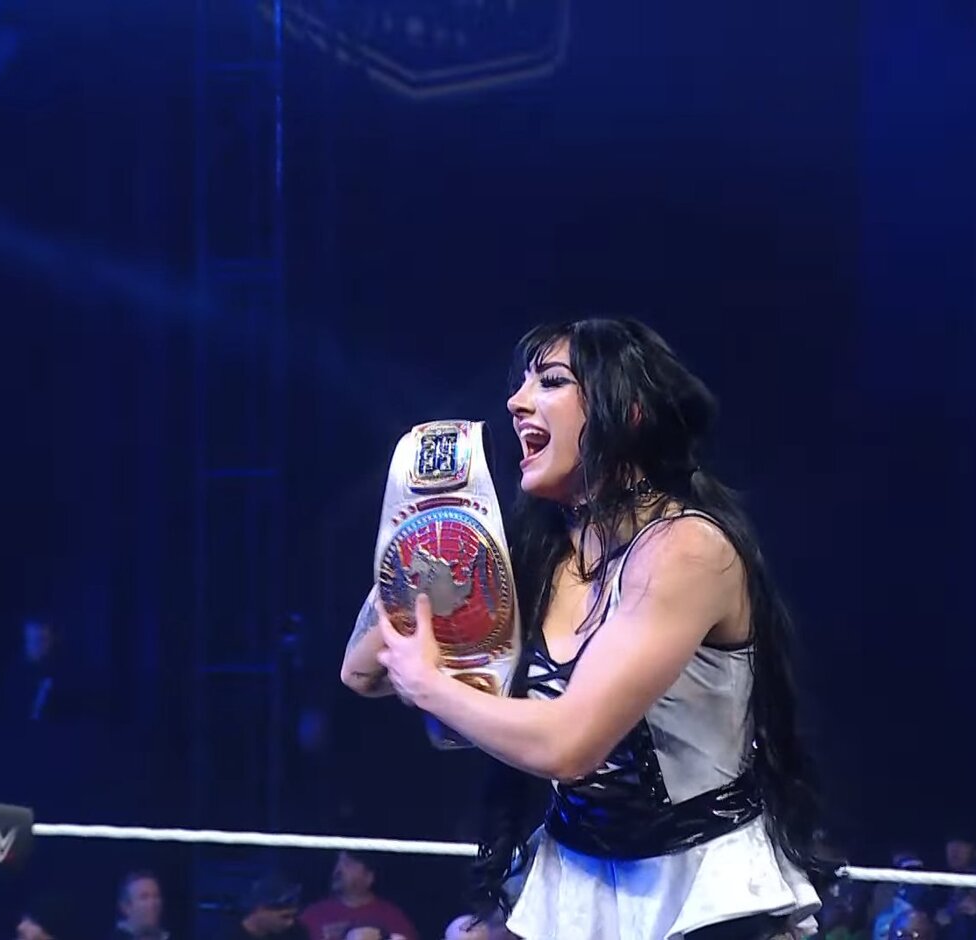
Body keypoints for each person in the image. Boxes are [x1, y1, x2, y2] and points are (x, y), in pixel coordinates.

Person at [343, 318, 835, 940]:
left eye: (550, 381)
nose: (516, 402)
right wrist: (435, 528)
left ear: (626, 411)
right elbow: (361, 672)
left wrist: (431, 687)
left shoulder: (687, 550)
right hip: (578, 888)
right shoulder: (535, 556)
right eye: (521, 383)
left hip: (702, 890)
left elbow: (570, 747)